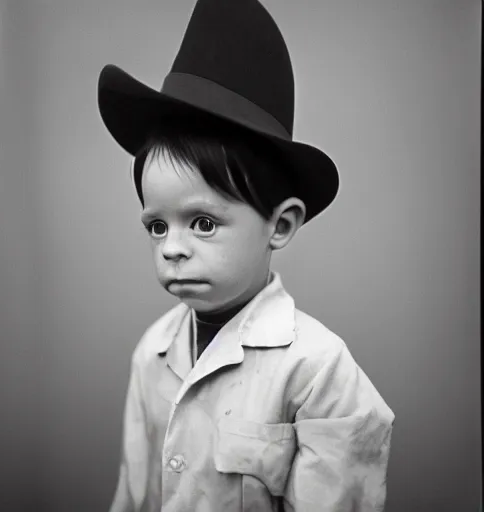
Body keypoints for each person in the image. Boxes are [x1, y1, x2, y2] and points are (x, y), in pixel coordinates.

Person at [97, 0, 395, 510]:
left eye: (204, 223)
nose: (171, 248)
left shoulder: (320, 372)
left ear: (279, 225)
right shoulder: (151, 352)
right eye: (157, 225)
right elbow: (135, 492)